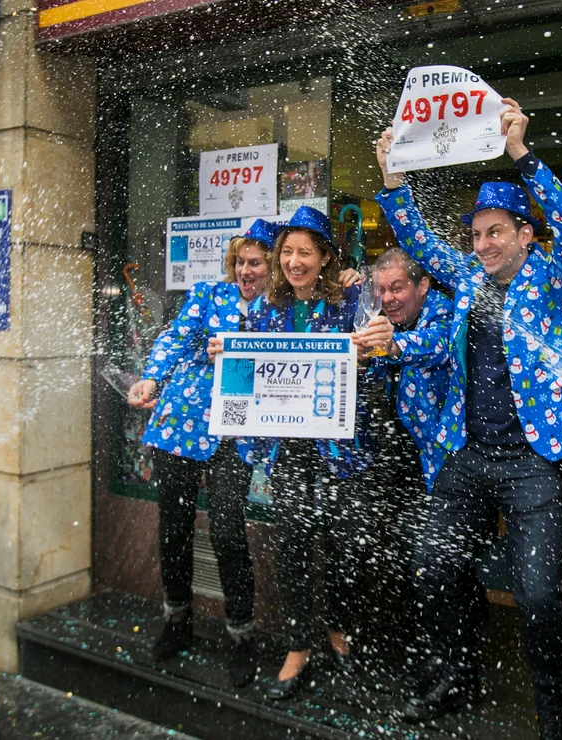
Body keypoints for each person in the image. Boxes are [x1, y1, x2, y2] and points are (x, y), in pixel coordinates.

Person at [374, 98, 562, 740]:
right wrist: (392, 178)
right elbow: (418, 242)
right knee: (433, 564)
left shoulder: (558, 279)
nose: (483, 243)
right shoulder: (466, 280)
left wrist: (520, 151)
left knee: (539, 595)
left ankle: (553, 711)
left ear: (526, 234)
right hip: (465, 455)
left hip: (532, 461)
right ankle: (455, 675)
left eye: (496, 231)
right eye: (476, 233)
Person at [211, 205, 376, 701]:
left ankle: (340, 633)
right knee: (291, 549)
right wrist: (228, 356)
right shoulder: (265, 309)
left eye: (306, 251)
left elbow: (377, 362)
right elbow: (249, 373)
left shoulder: (352, 298)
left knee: (348, 547)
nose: (294, 261)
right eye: (287, 251)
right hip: (289, 449)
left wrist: (367, 356)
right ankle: (298, 645)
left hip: (343, 449)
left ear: (326, 256)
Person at [126, 218, 280, 685]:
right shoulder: (209, 294)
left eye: (255, 263)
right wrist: (152, 375)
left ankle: (241, 635)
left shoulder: (282, 306)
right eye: (239, 262)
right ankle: (177, 618)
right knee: (174, 528)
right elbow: (175, 336)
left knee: (229, 531)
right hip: (182, 424)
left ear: (272, 266)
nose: (245, 271)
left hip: (236, 432)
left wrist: (240, 351)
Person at [351, 248, 454, 676]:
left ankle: (442, 660)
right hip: (389, 458)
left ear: (423, 286)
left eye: (397, 287)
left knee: (435, 566)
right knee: (387, 552)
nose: (388, 297)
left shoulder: (445, 314)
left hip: (440, 465)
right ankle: (396, 646)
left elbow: (433, 347)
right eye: (380, 289)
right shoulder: (377, 318)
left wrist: (389, 345)